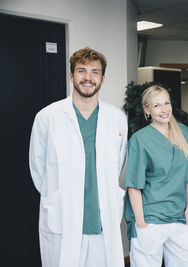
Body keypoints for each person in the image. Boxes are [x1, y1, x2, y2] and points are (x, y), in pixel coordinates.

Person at [29, 47, 127, 267]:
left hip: (102, 222)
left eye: (95, 72)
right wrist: (57, 196)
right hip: (62, 220)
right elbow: (37, 170)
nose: (88, 78)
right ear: (71, 75)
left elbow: (118, 164)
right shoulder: (47, 117)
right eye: (82, 71)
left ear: (102, 78)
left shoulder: (117, 118)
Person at [125, 85, 188, 267]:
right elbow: (134, 185)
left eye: (166, 103)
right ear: (146, 109)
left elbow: (187, 175)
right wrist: (141, 222)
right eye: (157, 105)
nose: (164, 109)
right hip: (151, 219)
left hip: (180, 217)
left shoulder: (184, 133)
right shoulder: (140, 139)